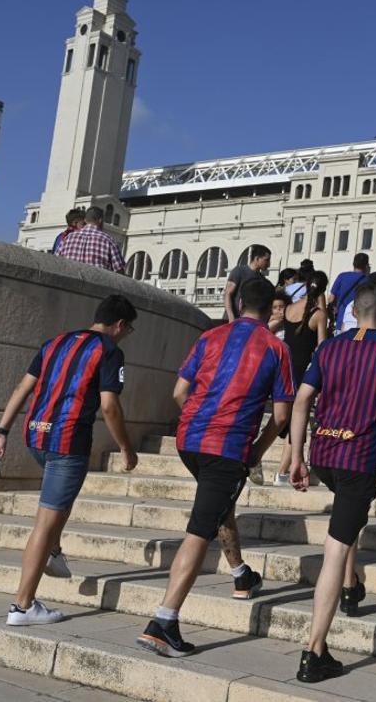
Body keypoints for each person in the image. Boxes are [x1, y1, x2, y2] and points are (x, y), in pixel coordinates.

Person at [136, 277, 293, 658]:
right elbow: (283, 414)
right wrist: (256, 449)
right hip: (227, 447)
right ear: (272, 306)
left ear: (239, 302)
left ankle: (241, 575)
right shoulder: (276, 349)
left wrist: (197, 419)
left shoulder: (210, 337)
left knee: (218, 506)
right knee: (199, 529)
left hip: (189, 440)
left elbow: (178, 392)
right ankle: (164, 620)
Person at [287, 283, 376, 682]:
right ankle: (314, 651)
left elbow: (301, 399)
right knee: (335, 547)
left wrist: (297, 453)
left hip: (324, 456)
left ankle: (351, 582)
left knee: (347, 527)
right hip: (356, 459)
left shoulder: (328, 347)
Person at [0, 295, 139, 625]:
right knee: (46, 520)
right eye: (129, 330)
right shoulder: (110, 351)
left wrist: (2, 430)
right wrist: (126, 447)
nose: (127, 335)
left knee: (60, 500)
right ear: (120, 325)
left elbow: (22, 387)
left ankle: (53, 552)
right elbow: (109, 406)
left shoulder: (55, 343)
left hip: (36, 437)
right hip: (68, 443)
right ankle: (23, 605)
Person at [274, 271, 329, 486]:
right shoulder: (319, 315)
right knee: (298, 422)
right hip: (304, 372)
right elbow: (322, 348)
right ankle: (281, 471)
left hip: (284, 369)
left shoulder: (288, 309)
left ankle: (282, 469)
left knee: (286, 421)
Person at [55, 206, 126, 272]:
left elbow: (55, 261)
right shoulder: (108, 240)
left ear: (85, 220)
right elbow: (119, 270)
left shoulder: (67, 238)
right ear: (100, 221)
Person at [224, 245, 272, 321]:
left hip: (248, 321)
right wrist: (231, 316)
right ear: (257, 258)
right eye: (266, 260)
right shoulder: (239, 271)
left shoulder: (262, 279)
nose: (269, 264)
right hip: (233, 320)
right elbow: (228, 293)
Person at [327, 252, 370, 333]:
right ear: (366, 266)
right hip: (360, 325)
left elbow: (331, 299)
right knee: (357, 345)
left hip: (341, 322)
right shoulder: (368, 280)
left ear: (353, 264)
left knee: (341, 344)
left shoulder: (342, 276)